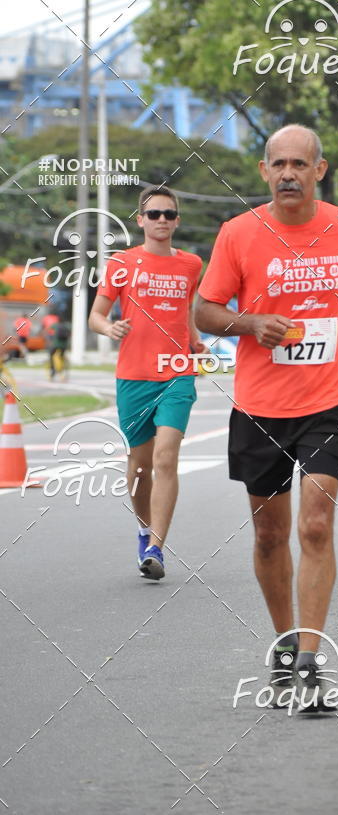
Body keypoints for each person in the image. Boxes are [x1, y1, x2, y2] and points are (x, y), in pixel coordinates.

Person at [195, 124, 338, 712]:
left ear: (319, 171)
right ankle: (282, 639)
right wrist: (250, 324)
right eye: (278, 164)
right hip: (259, 408)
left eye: (300, 164)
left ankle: (309, 654)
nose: (288, 174)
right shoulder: (238, 234)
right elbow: (204, 309)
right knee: (271, 534)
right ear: (263, 170)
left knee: (316, 525)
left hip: (329, 401)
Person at [89, 186, 204, 580]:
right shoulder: (122, 264)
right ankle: (143, 529)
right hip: (134, 376)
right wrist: (110, 327)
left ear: (177, 220)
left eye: (168, 214)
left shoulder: (191, 264)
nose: (161, 220)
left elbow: (187, 308)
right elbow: (96, 315)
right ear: (140, 220)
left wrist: (194, 340)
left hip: (177, 371)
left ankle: (156, 546)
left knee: (166, 456)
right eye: (153, 214)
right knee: (140, 467)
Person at [49, 315, 70, 379]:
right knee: (62, 357)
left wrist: (50, 339)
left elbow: (49, 329)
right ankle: (63, 369)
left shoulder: (55, 325)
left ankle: (52, 370)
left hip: (56, 344)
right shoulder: (67, 326)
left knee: (51, 355)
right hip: (64, 345)